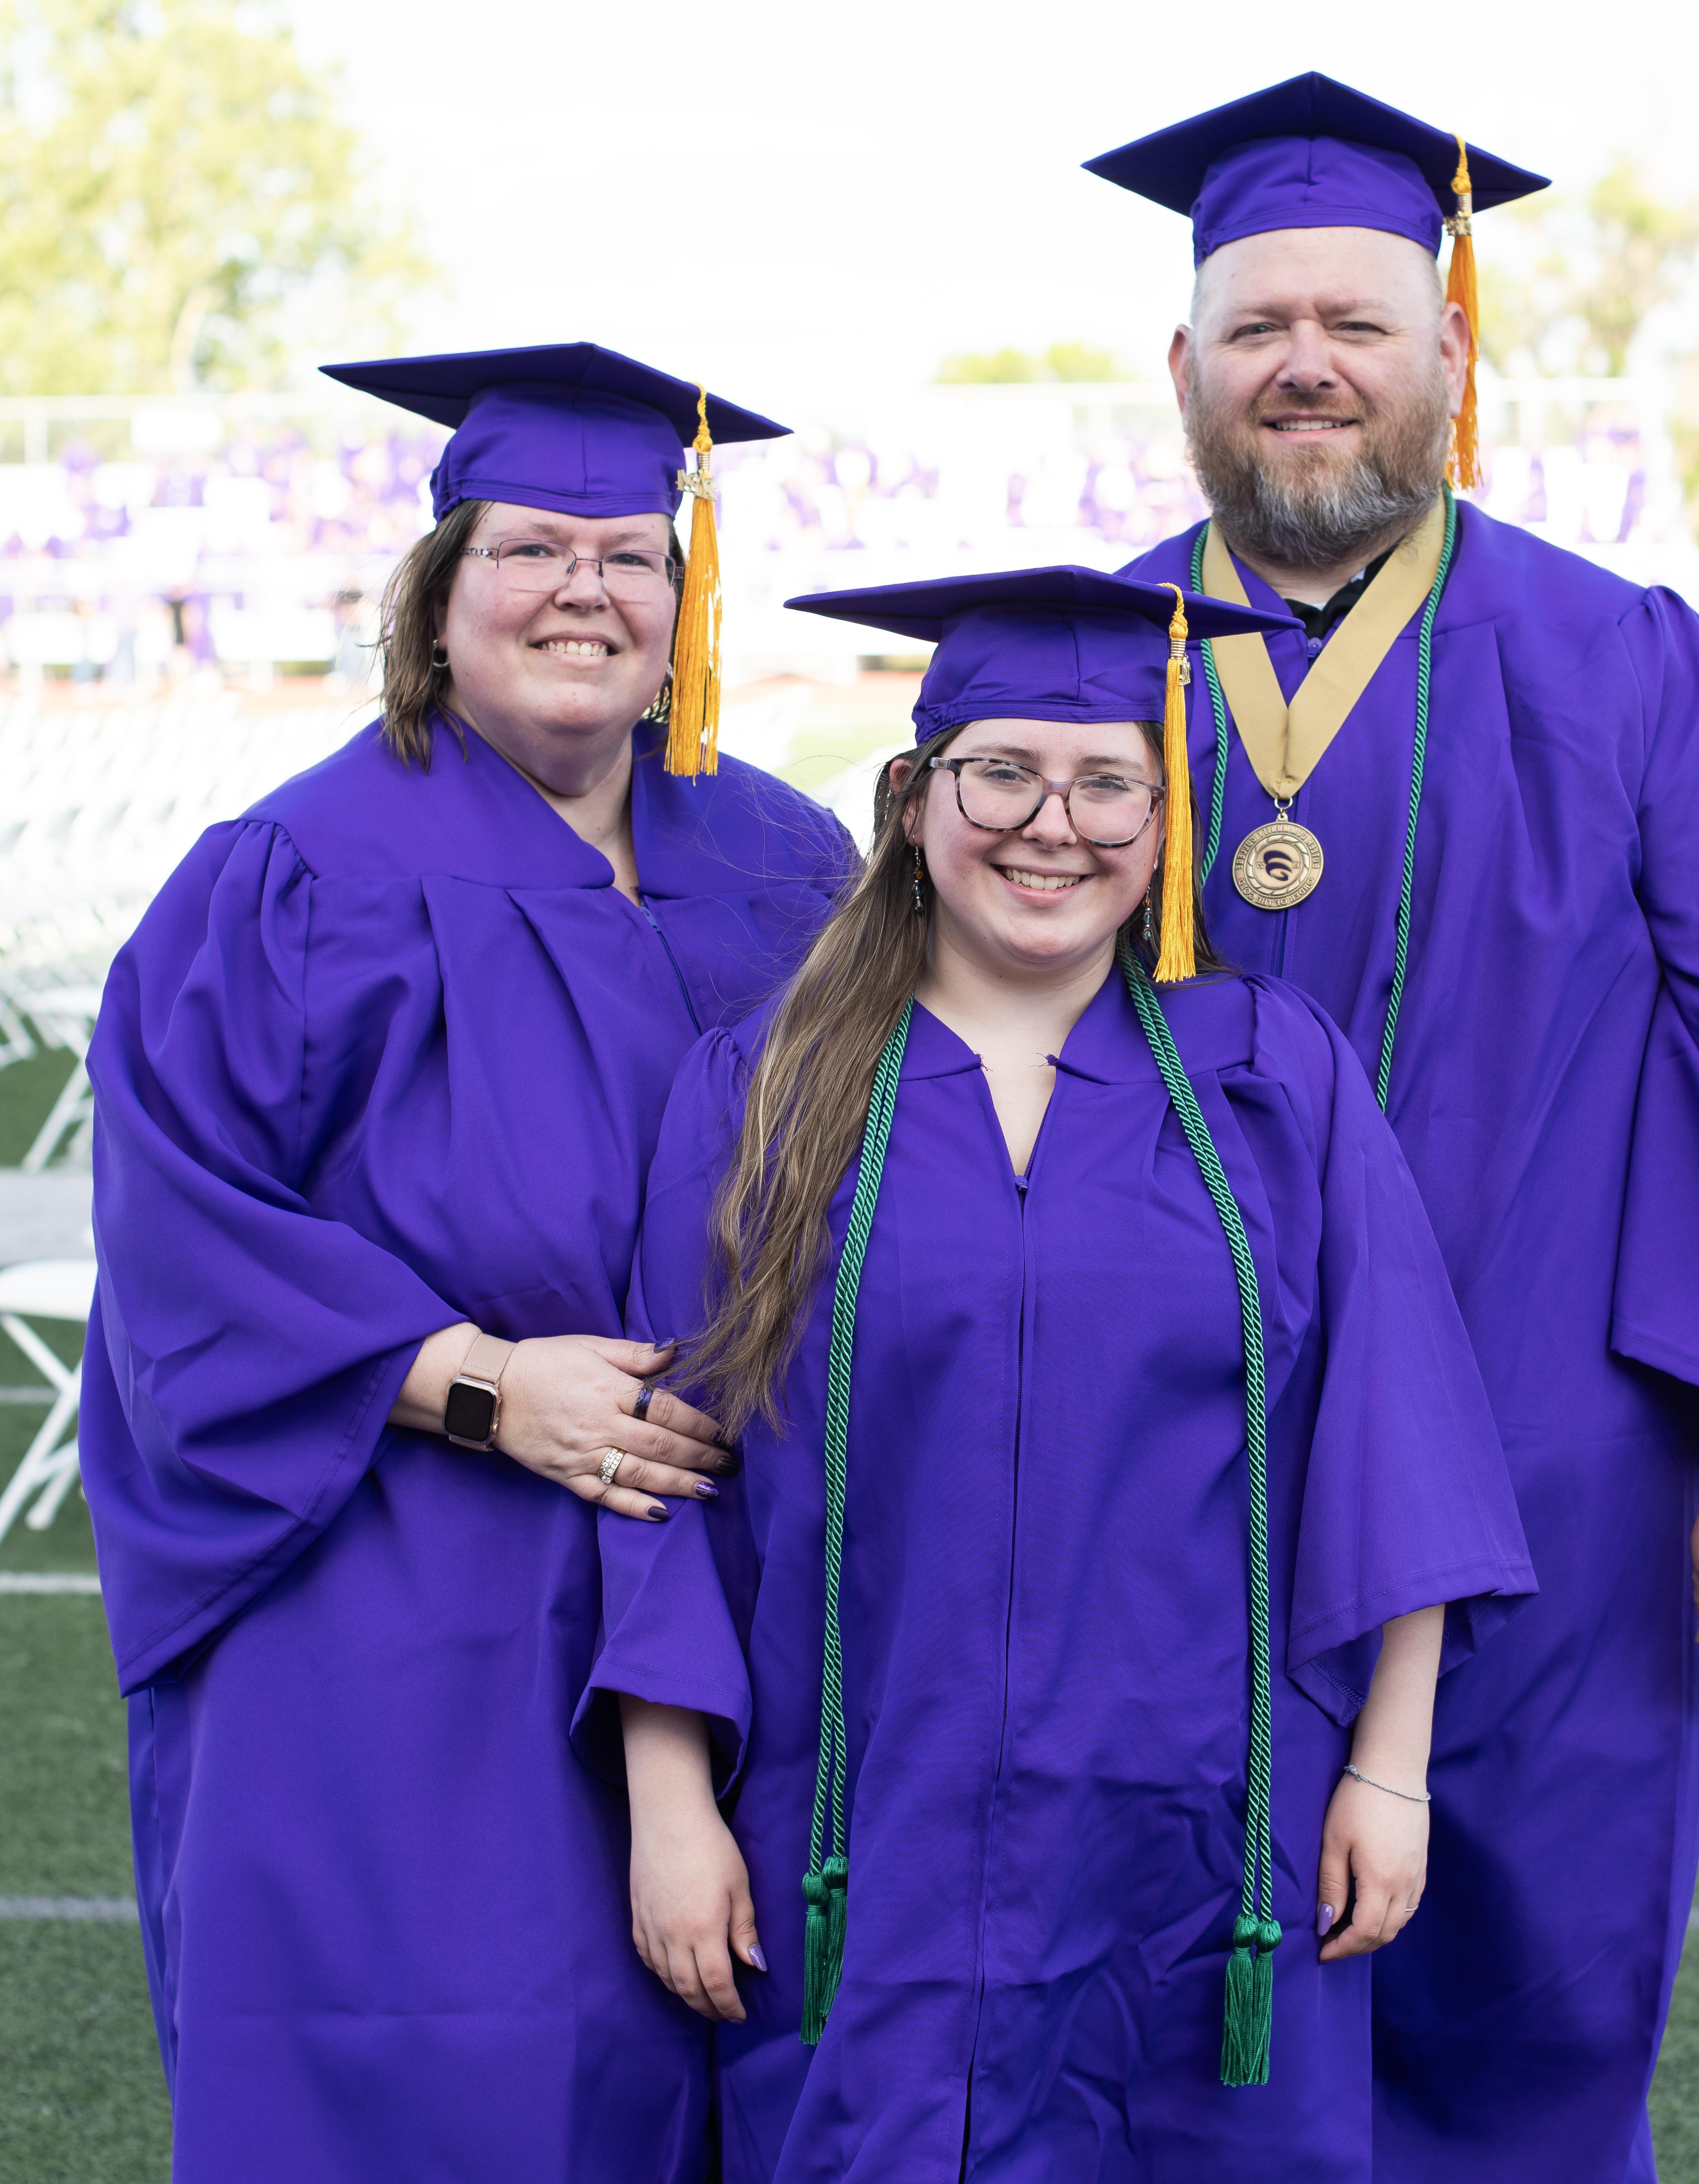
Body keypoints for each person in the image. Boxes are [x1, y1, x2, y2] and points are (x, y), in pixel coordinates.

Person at [1084, 75, 1699, 2183]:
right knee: (1178, 2013)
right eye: (1260, 330)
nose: (1308, 366)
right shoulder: (1070, 674)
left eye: (1359, 322)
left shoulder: (1622, 662)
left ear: (1450, 359)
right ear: (1186, 368)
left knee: (1531, 2003)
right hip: (1157, 1476)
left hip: (1559, 1477)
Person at [576, 567, 1536, 2181]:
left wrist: (1390, 1763)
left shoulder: (1267, 1076)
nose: (1053, 825)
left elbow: (1396, 1426)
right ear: (913, 796)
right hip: (860, 1816)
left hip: (1210, 1820)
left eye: (1109, 784)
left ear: (1165, 822)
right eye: (1001, 772)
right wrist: (672, 1806)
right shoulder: (772, 1089)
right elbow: (676, 1465)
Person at [79, 342, 857, 2184]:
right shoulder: (286, 874)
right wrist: (484, 1385)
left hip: (727, 1561)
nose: (582, 588)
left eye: (629, 552)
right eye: (528, 548)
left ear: (689, 604)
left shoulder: (787, 861)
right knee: (433, 2079)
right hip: (392, 1583)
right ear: (437, 603)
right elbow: (180, 1234)